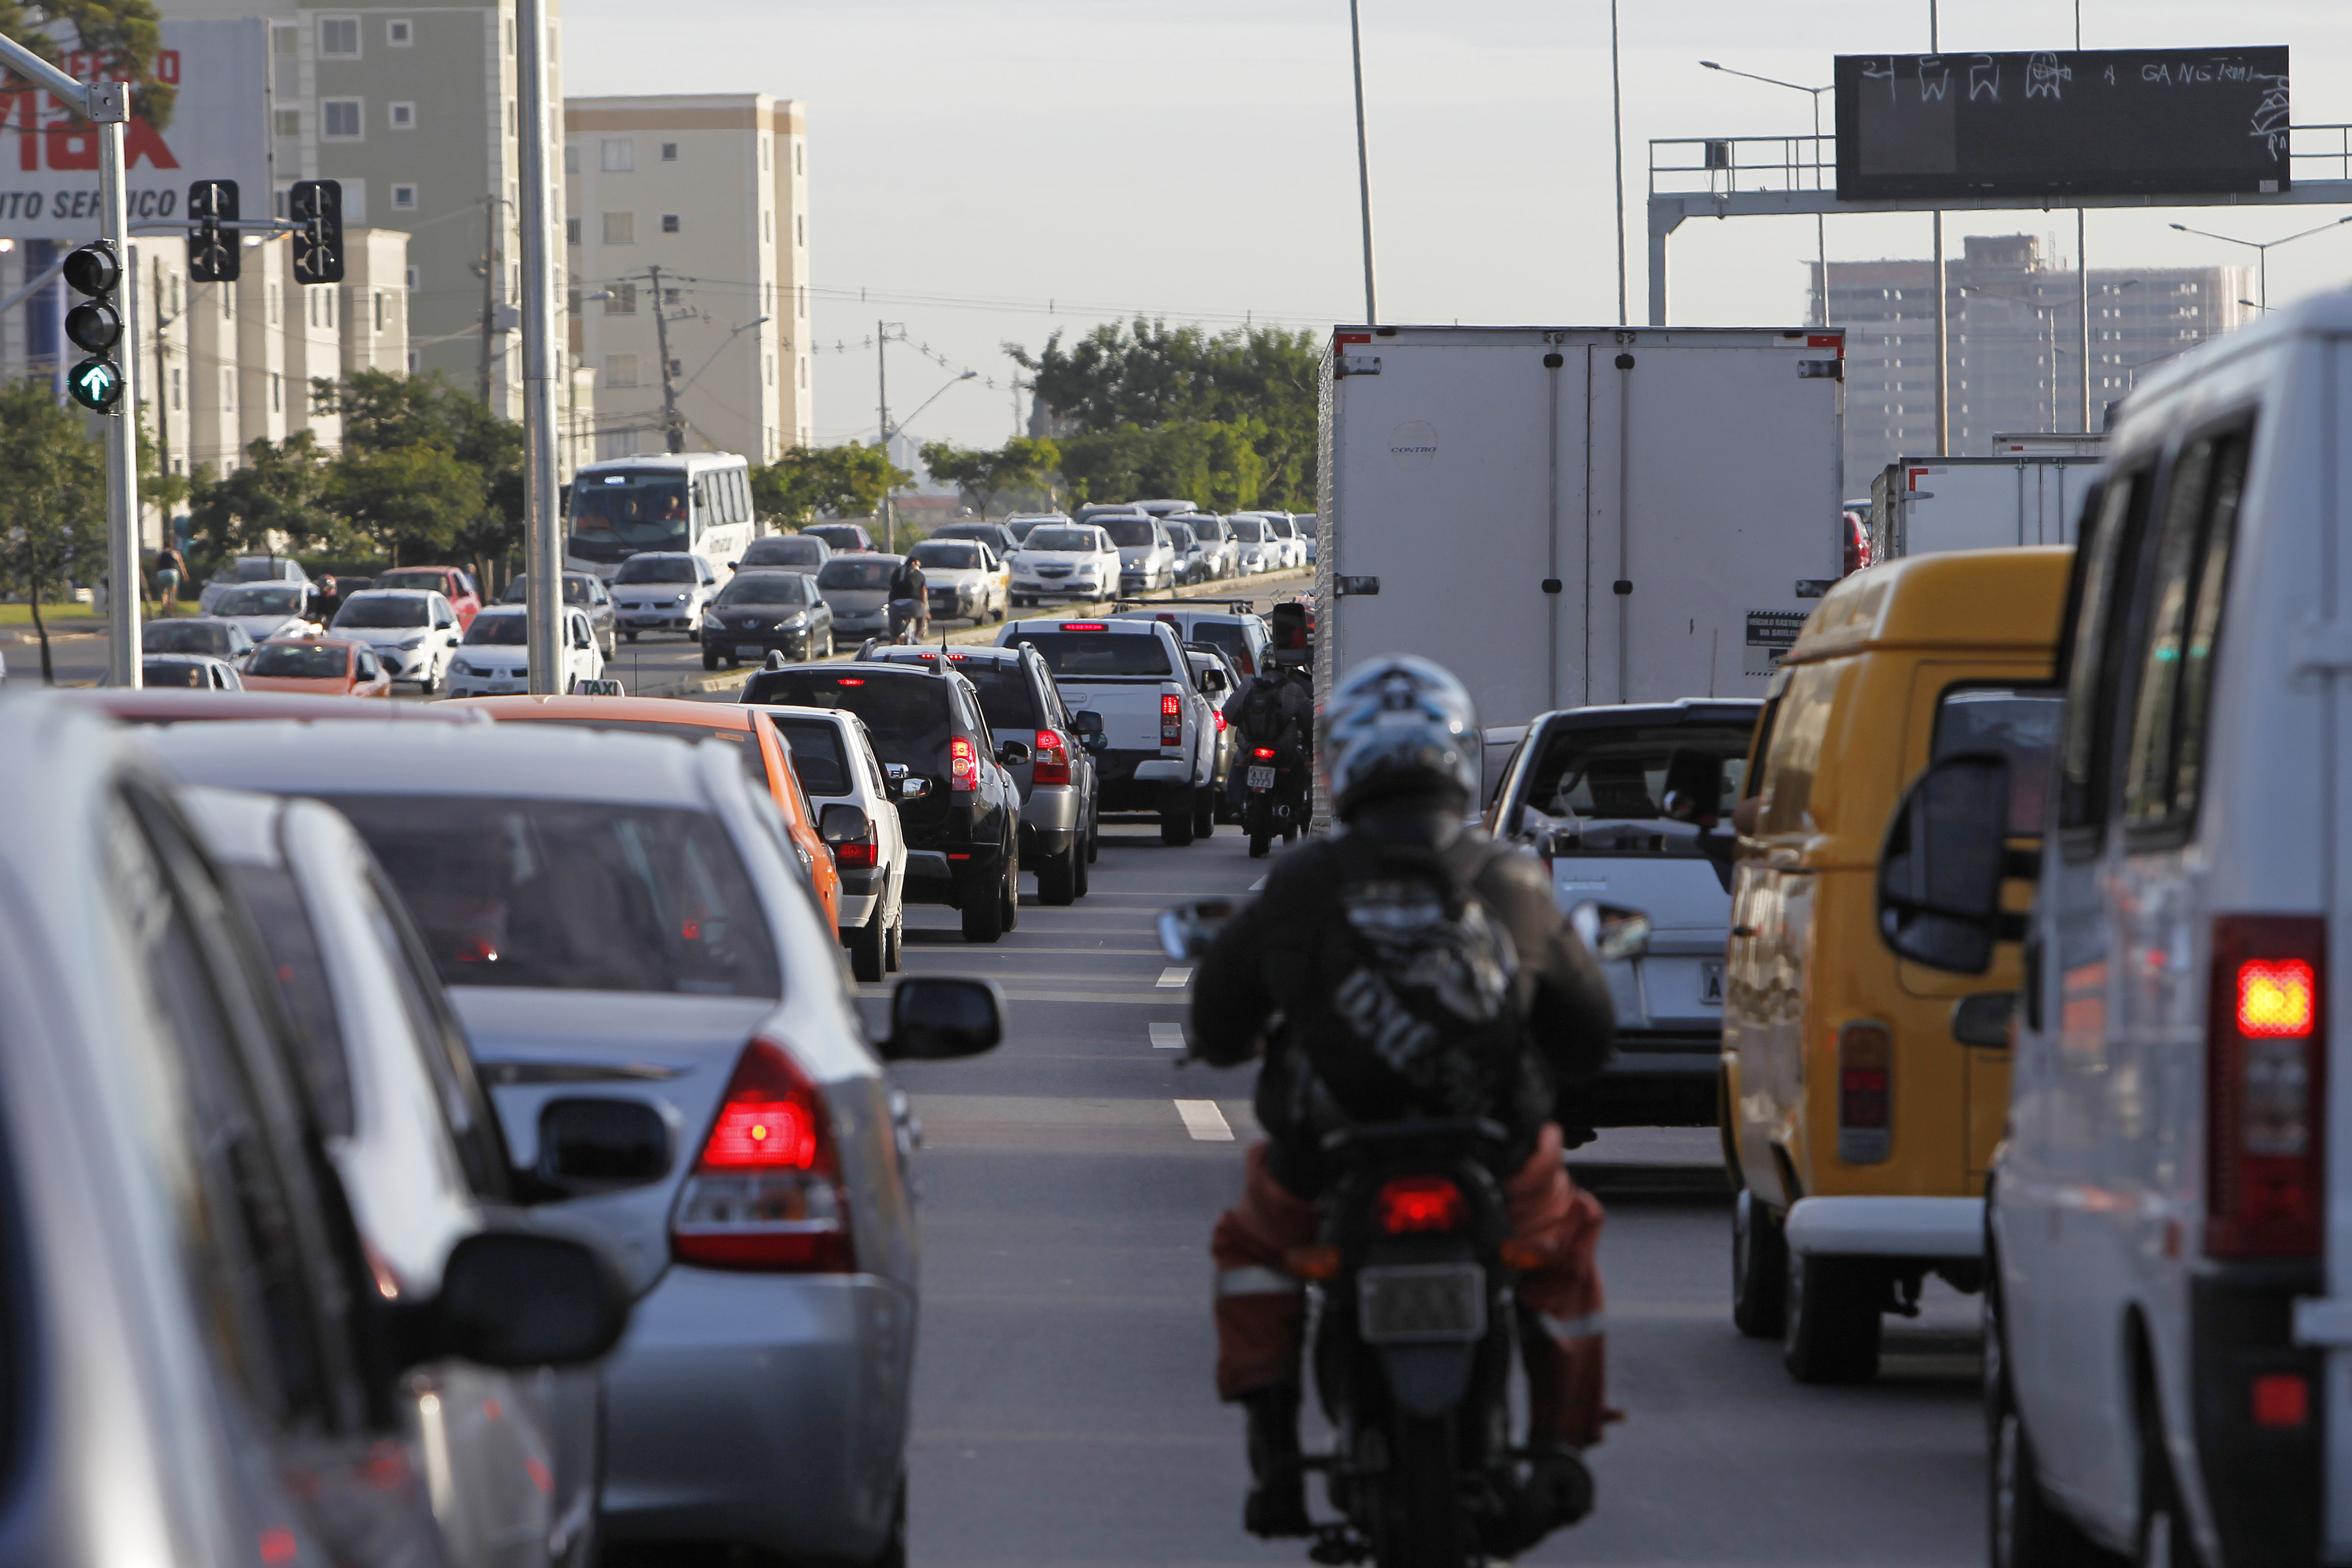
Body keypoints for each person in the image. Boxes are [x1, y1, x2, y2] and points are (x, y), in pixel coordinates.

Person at [1192, 654, 1616, 1540]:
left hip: (1327, 1156)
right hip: (1494, 1152)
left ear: (1342, 762)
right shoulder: (1510, 879)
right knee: (1563, 1244)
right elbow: (1586, 1038)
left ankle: (1275, 1450)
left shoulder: (1300, 882)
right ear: (1456, 757)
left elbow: (1220, 1024)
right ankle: (1559, 1445)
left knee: (1253, 1248)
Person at [1222, 657, 1312, 812]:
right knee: (1298, 765)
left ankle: (1235, 805)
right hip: (1283, 751)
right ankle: (1291, 807)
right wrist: (1311, 749)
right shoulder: (1295, 689)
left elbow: (1228, 714)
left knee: (1238, 760)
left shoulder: (1249, 685)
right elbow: (1309, 722)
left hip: (1250, 747)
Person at [887, 554, 929, 644]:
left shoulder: (896, 572)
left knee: (894, 632)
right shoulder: (919, 574)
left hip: (895, 605)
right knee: (922, 615)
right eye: (919, 566)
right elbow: (923, 594)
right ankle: (918, 637)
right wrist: (926, 611)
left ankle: (894, 643)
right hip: (914, 605)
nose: (919, 568)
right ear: (914, 563)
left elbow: (892, 589)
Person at [152, 542, 187, 609]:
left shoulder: (159, 554)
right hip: (172, 573)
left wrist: (153, 576)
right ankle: (171, 602)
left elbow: (155, 566)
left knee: (163, 591)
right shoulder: (175, 553)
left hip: (161, 574)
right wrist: (185, 575)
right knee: (172, 590)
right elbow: (181, 565)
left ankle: (164, 603)